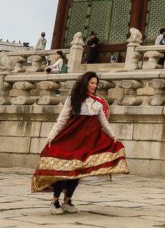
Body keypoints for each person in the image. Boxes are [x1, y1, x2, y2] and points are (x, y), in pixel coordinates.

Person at [31, 71, 128, 213]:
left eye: (96, 83)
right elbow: (62, 119)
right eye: (92, 83)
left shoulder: (97, 103)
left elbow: (103, 121)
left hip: (88, 141)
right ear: (85, 83)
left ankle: (68, 200)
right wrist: (51, 136)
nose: (94, 86)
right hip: (70, 138)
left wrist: (113, 136)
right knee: (65, 170)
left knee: (77, 172)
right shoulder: (73, 99)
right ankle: (54, 200)